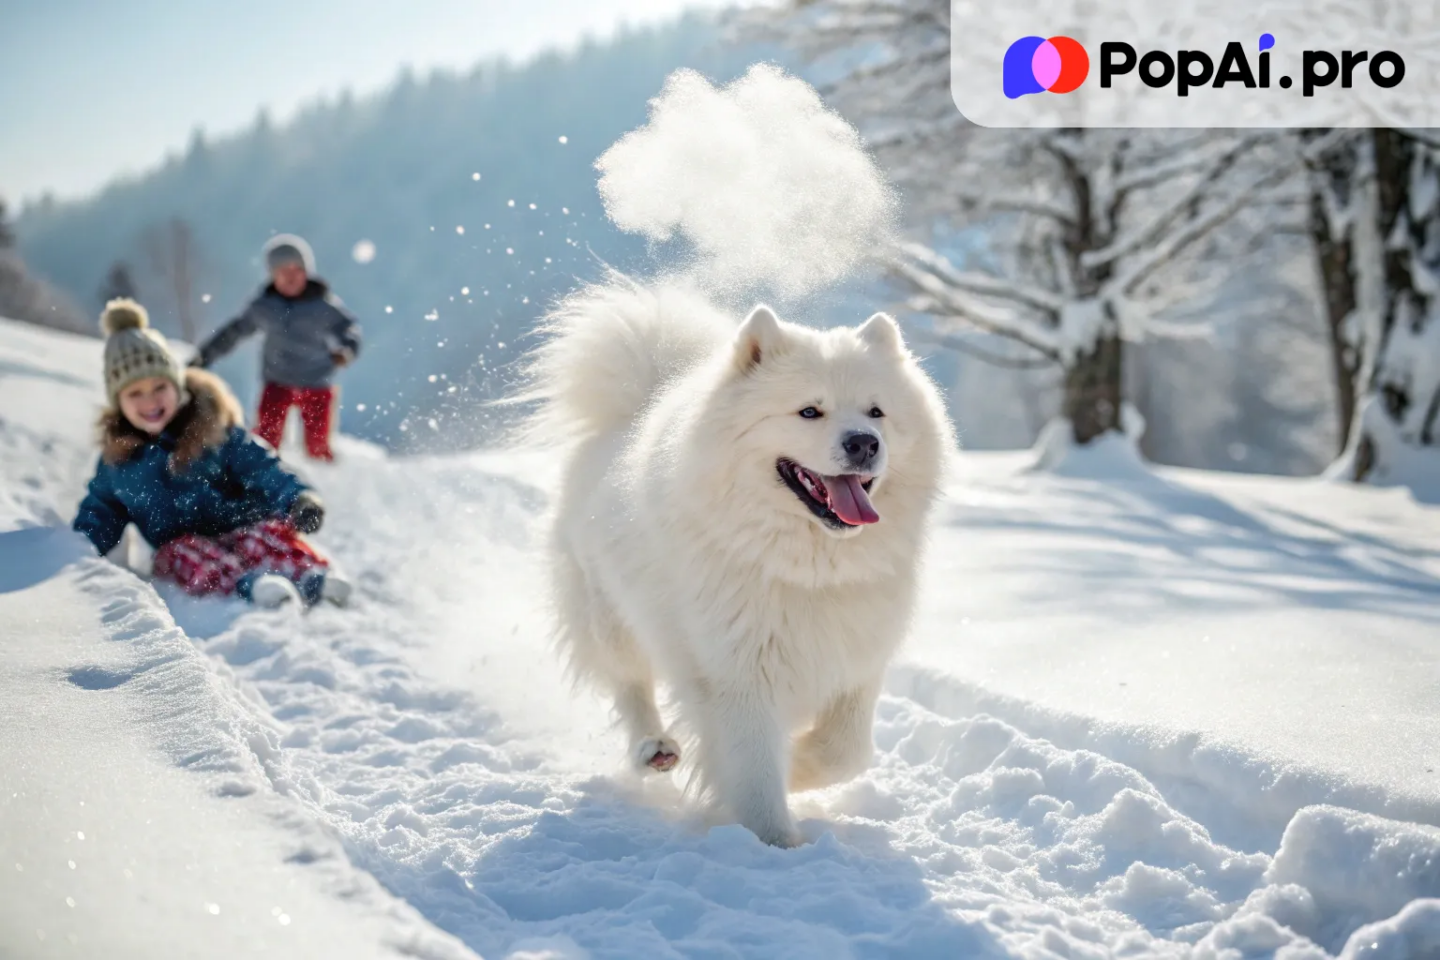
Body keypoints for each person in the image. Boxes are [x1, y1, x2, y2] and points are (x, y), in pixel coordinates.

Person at [74, 298, 351, 609]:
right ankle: (250, 587)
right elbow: (99, 513)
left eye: (159, 387)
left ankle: (311, 577)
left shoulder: (213, 428)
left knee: (261, 538)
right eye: (134, 393)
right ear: (119, 403)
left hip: (239, 523)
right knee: (182, 555)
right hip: (181, 544)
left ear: (178, 387)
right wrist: (75, 551)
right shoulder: (117, 463)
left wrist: (298, 498)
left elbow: (262, 466)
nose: (149, 401)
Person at [191, 234, 360, 461]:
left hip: (317, 382)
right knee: (264, 441)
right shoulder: (265, 307)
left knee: (317, 447)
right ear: (272, 275)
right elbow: (235, 331)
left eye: (296, 270)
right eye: (283, 272)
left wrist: (347, 348)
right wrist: (204, 356)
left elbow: (348, 328)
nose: (290, 277)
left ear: (306, 272)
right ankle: (257, 480)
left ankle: (327, 482)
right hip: (277, 381)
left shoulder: (322, 306)